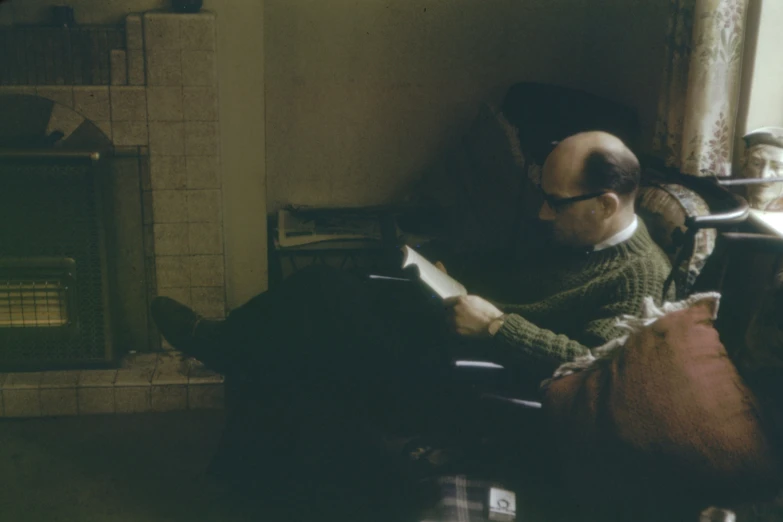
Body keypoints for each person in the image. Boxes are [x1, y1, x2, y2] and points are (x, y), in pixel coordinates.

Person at [151, 131, 672, 497]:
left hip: (479, 363)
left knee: (319, 307)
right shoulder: (580, 229)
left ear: (605, 204)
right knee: (319, 299)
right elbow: (516, 273)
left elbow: (592, 363)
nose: (543, 213)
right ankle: (246, 440)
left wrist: (497, 327)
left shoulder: (639, 276)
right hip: (456, 320)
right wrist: (449, 269)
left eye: (555, 202)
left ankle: (223, 351)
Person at [741, 127, 783, 211]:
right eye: (757, 164)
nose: (764, 176)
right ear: (745, 167)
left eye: (777, 167)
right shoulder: (736, 202)